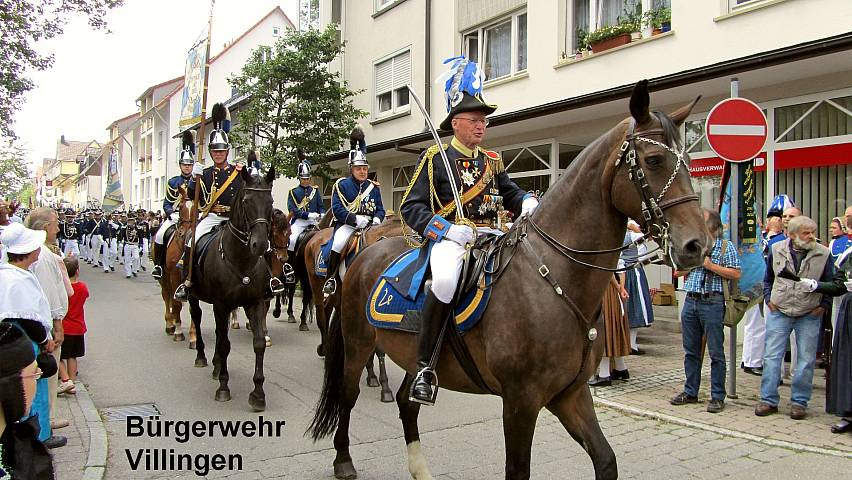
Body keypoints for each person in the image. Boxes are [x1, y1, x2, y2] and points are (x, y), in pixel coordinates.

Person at [399, 57, 537, 405]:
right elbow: (410, 208)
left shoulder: (492, 160)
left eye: (484, 120)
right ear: (456, 123)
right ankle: (425, 368)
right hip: (454, 241)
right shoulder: (435, 158)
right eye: (475, 120)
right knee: (445, 281)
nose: (481, 126)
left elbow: (510, 192)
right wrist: (446, 230)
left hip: (493, 236)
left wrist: (527, 201)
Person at [756, 215, 842, 420]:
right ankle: (768, 400)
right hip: (780, 309)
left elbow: (831, 282)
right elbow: (768, 278)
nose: (812, 236)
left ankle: (799, 402)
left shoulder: (823, 253)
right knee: (771, 357)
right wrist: (768, 298)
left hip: (809, 312)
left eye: (812, 231)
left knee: (805, 360)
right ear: (792, 235)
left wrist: (823, 305)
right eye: (806, 233)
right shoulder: (777, 249)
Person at [0, 222, 65, 450]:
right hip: (25, 343)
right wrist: (44, 339)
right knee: (33, 388)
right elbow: (28, 317)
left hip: (19, 342)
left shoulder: (13, 274)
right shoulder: (16, 280)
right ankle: (38, 436)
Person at [671, 209, 741, 414]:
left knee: (716, 352)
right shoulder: (693, 246)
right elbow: (678, 271)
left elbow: (736, 273)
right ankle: (690, 391)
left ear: (712, 227)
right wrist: (690, 265)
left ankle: (717, 396)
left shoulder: (725, 247)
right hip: (691, 300)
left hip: (713, 302)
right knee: (691, 351)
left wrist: (711, 266)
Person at [174, 103, 241, 301]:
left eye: (221, 151)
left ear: (227, 151)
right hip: (212, 217)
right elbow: (194, 197)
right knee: (191, 241)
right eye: (214, 151)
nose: (218, 154)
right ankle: (187, 283)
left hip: (233, 218)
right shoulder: (204, 173)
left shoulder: (237, 173)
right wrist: (194, 178)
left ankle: (266, 282)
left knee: (258, 241)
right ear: (211, 152)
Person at [24, 208, 75, 434]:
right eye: (55, 223)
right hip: (45, 325)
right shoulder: (42, 256)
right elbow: (50, 294)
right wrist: (57, 323)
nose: (58, 227)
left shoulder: (43, 252)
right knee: (47, 372)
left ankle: (46, 417)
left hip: (42, 323)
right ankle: (46, 420)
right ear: (45, 227)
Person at [322, 127, 385, 296]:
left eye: (365, 168)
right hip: (348, 225)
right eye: (359, 169)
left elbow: (380, 209)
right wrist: (355, 220)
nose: (363, 171)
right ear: (352, 169)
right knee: (338, 243)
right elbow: (337, 210)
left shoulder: (373, 187)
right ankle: (331, 279)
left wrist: (378, 219)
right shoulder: (341, 185)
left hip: (371, 226)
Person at [0, 322, 55, 480]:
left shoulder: (18, 444)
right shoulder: (22, 455)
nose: (36, 381)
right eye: (34, 374)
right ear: (11, 383)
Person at [152, 131, 195, 279]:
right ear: (180, 165)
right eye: (185, 164)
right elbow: (167, 203)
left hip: (192, 216)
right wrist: (171, 213)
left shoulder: (198, 181)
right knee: (160, 235)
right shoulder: (173, 182)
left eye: (190, 164)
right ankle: (158, 265)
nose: (187, 167)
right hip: (176, 216)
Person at [589, 270, 631, 387]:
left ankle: (604, 374)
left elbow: (608, 271)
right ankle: (621, 369)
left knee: (604, 329)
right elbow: (621, 270)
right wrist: (621, 288)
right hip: (612, 292)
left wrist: (619, 288)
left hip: (604, 290)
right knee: (613, 329)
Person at [621, 220, 654, 355]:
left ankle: (630, 344)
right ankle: (631, 344)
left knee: (628, 308)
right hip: (633, 273)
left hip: (621, 273)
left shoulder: (619, 236)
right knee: (636, 307)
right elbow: (642, 256)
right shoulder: (635, 237)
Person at [287, 150, 325, 254]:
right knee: (292, 239)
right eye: (304, 179)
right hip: (300, 222)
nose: (306, 181)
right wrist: (308, 215)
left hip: (314, 221)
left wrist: (322, 213)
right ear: (299, 178)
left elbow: (320, 205)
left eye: (308, 178)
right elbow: (293, 210)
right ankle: (288, 264)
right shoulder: (293, 192)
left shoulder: (315, 190)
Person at [60, 257, 88, 386]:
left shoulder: (61, 289)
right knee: (72, 356)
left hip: (64, 327)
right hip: (78, 327)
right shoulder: (82, 287)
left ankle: (65, 379)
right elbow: (85, 295)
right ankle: (72, 381)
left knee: (60, 357)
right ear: (78, 271)